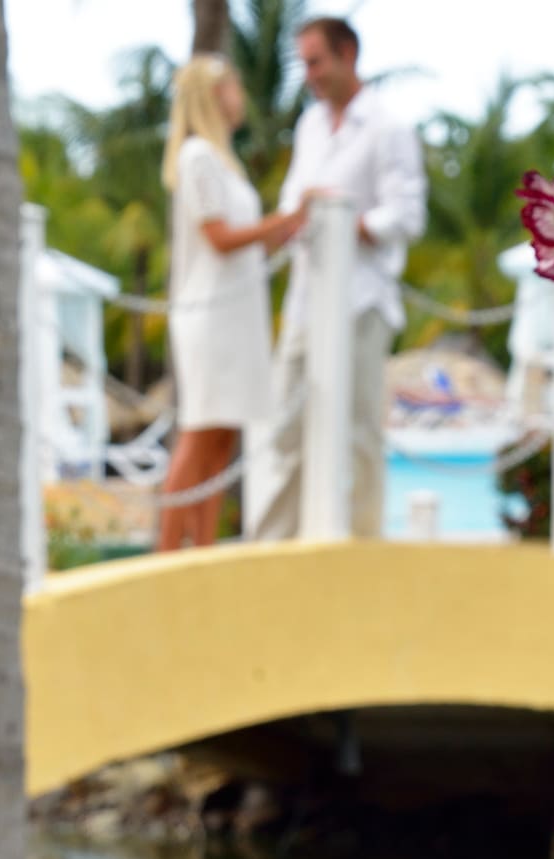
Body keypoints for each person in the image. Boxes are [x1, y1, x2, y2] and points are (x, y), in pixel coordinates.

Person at [253, 16, 428, 541]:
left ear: (348, 54)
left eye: (316, 61)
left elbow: (407, 217)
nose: (309, 74)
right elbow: (292, 202)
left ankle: (364, 544)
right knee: (287, 427)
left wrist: (340, 220)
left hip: (363, 301)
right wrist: (297, 219)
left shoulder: (389, 128)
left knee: (358, 432)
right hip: (306, 300)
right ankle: (276, 547)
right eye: (303, 64)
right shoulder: (308, 126)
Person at [158, 55, 305, 551]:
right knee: (200, 431)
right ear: (214, 94)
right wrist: (285, 219)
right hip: (211, 314)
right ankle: (165, 552)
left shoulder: (223, 161)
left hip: (236, 314)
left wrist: (287, 232)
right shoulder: (198, 156)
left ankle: (200, 549)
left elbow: (245, 242)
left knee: (222, 436)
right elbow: (220, 237)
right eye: (233, 85)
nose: (240, 93)